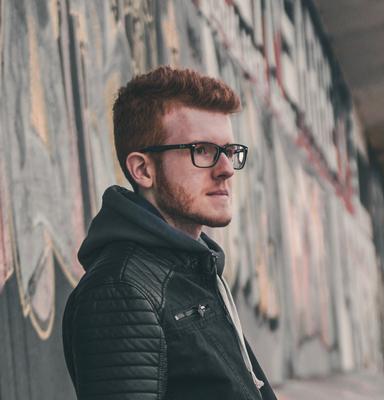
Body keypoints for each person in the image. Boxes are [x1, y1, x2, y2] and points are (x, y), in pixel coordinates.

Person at [62, 66, 277, 400]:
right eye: (202, 150)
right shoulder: (121, 291)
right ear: (143, 170)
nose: (225, 170)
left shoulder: (194, 268)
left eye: (229, 151)